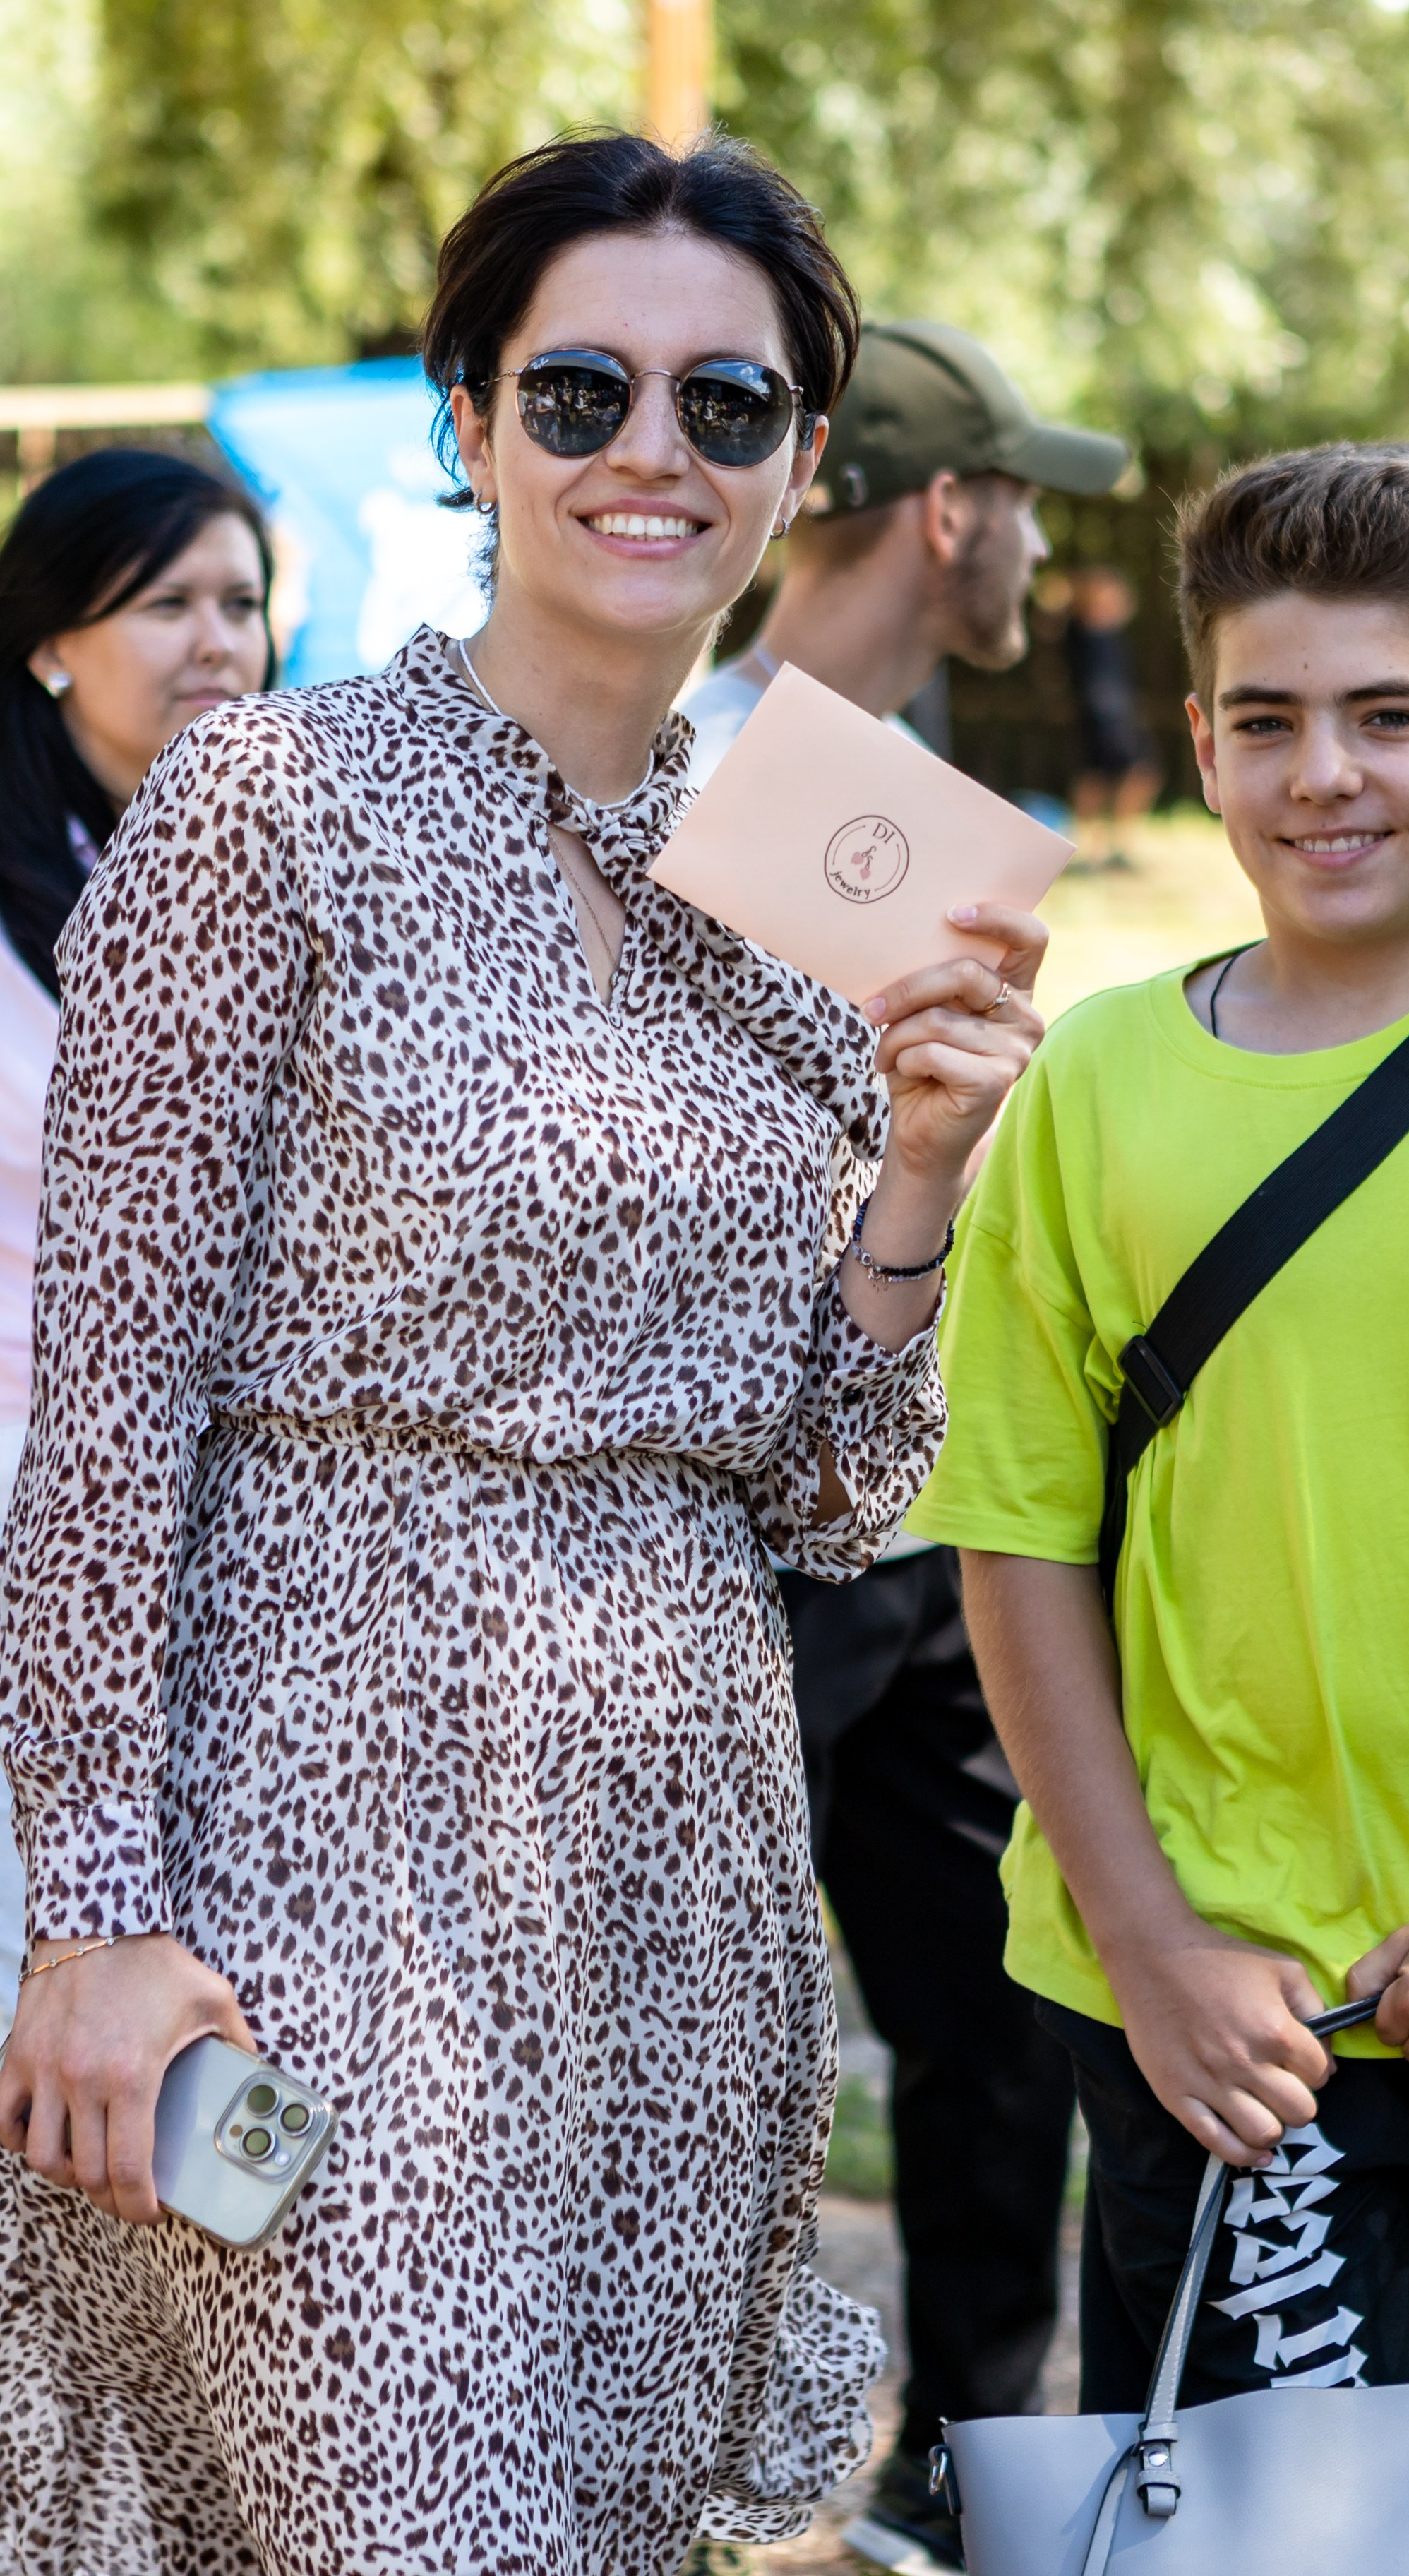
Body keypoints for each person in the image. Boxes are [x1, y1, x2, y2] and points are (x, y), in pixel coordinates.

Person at [0, 134, 1048, 2576]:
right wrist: (92, 1910)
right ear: (470, 425)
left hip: (673, 1878)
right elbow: (106, 1407)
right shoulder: (269, 805)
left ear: (802, 458)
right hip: (310, 1843)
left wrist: (918, 1173)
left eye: (724, 402)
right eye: (579, 390)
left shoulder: (830, 864)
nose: (647, 450)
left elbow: (831, 1486)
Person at [911, 443, 1409, 2413]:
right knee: (1229, 2512)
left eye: (1387, 717)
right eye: (1266, 721)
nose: (1323, 774)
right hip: (1208, 2002)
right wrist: (1149, 1943)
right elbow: (1017, 1541)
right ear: (1199, 745)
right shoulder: (1097, 1085)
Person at [681, 323, 1125, 2574]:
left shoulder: (920, 792)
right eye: (1025, 499)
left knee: (993, 2004)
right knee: (690, 2025)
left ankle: (967, 2468)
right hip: (740, 1528)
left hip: (943, 1507)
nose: (1039, 543)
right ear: (948, 511)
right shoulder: (689, 767)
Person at [0, 448, 274, 2031]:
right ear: (51, 641)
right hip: (36, 1496)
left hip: (241, 1517)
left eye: (242, 601)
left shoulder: (278, 877)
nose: (217, 642)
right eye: (166, 603)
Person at [1062, 564, 1161, 866]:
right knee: (1107, 778)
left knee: (1106, 778)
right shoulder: (1084, 635)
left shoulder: (1105, 636)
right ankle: (1098, 849)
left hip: (1113, 718)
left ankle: (1103, 848)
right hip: (1105, 720)